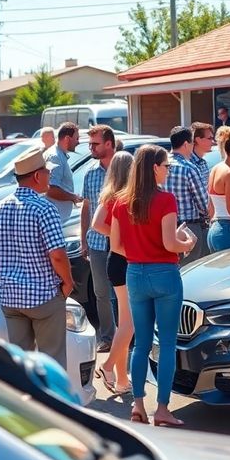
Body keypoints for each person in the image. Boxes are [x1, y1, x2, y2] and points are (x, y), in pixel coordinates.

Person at [108, 144, 196, 427]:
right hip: (164, 272)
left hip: (135, 273)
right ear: (154, 168)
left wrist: (140, 250)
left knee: (141, 343)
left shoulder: (121, 202)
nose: (168, 170)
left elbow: (116, 246)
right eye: (166, 166)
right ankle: (162, 409)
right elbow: (171, 243)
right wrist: (188, 243)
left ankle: (137, 405)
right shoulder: (166, 200)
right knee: (167, 344)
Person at [0, 149, 75, 368]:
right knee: (51, 364)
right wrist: (69, 283)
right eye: (47, 172)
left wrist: (12, 268)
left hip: (11, 298)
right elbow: (58, 255)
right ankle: (49, 403)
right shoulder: (45, 209)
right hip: (44, 296)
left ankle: (24, 402)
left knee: (20, 366)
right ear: (36, 176)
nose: (50, 176)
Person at [91, 151, 135, 395]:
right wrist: (121, 239)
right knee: (130, 323)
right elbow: (97, 224)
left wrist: (116, 237)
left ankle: (121, 380)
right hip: (122, 260)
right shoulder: (121, 196)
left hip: (115, 260)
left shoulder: (110, 194)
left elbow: (97, 223)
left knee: (123, 323)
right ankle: (108, 367)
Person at [80, 125, 118, 352]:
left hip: (122, 243)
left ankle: (128, 334)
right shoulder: (90, 173)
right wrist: (84, 238)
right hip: (97, 243)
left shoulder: (125, 169)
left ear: (109, 144)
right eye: (90, 143)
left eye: (95, 143)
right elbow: (86, 208)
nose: (90, 148)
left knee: (126, 291)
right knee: (101, 292)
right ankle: (108, 337)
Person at [162, 126, 210, 264]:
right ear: (185, 144)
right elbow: (203, 203)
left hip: (164, 228)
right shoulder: (189, 168)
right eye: (192, 143)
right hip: (189, 227)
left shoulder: (160, 165)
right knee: (191, 270)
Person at [44, 122, 81, 221]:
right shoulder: (55, 157)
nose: (78, 142)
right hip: (55, 219)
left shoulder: (59, 155)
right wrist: (73, 197)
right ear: (67, 139)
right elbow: (50, 189)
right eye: (76, 138)